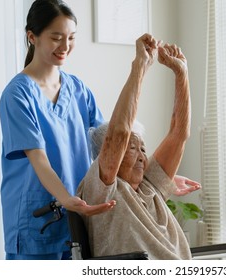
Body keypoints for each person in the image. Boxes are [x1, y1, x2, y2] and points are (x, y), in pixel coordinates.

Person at [0, 0, 116, 260]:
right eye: (56, 37)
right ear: (32, 37)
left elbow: (108, 148)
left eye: (71, 38)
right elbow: (38, 159)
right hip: (39, 219)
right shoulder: (17, 94)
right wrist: (65, 198)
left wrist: (151, 174)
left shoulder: (78, 89)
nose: (65, 47)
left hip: (77, 213)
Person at [77, 34, 199, 259]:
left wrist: (181, 73)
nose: (143, 155)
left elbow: (179, 134)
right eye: (132, 148)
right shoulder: (101, 190)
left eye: (143, 148)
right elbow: (119, 133)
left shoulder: (149, 184)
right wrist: (140, 66)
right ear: (105, 154)